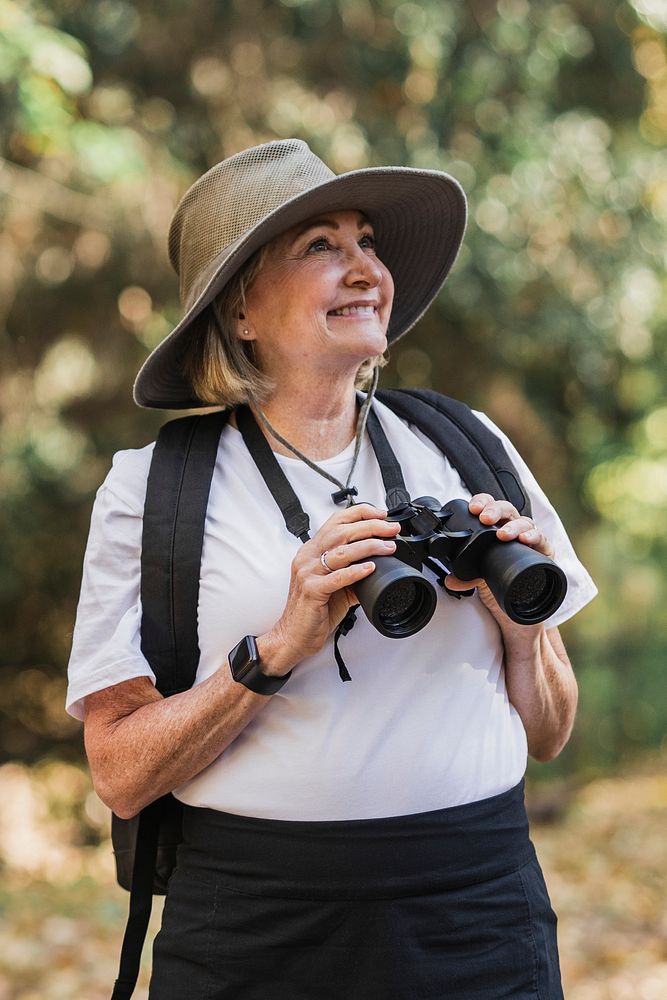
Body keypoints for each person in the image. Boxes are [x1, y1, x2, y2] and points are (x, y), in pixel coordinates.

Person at [67, 138, 597, 999]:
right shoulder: (154, 490)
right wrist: (276, 647)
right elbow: (120, 774)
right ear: (239, 311)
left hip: (476, 915)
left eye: (367, 243)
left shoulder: (467, 448)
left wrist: (517, 625)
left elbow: (548, 732)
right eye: (321, 246)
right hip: (254, 926)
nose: (364, 269)